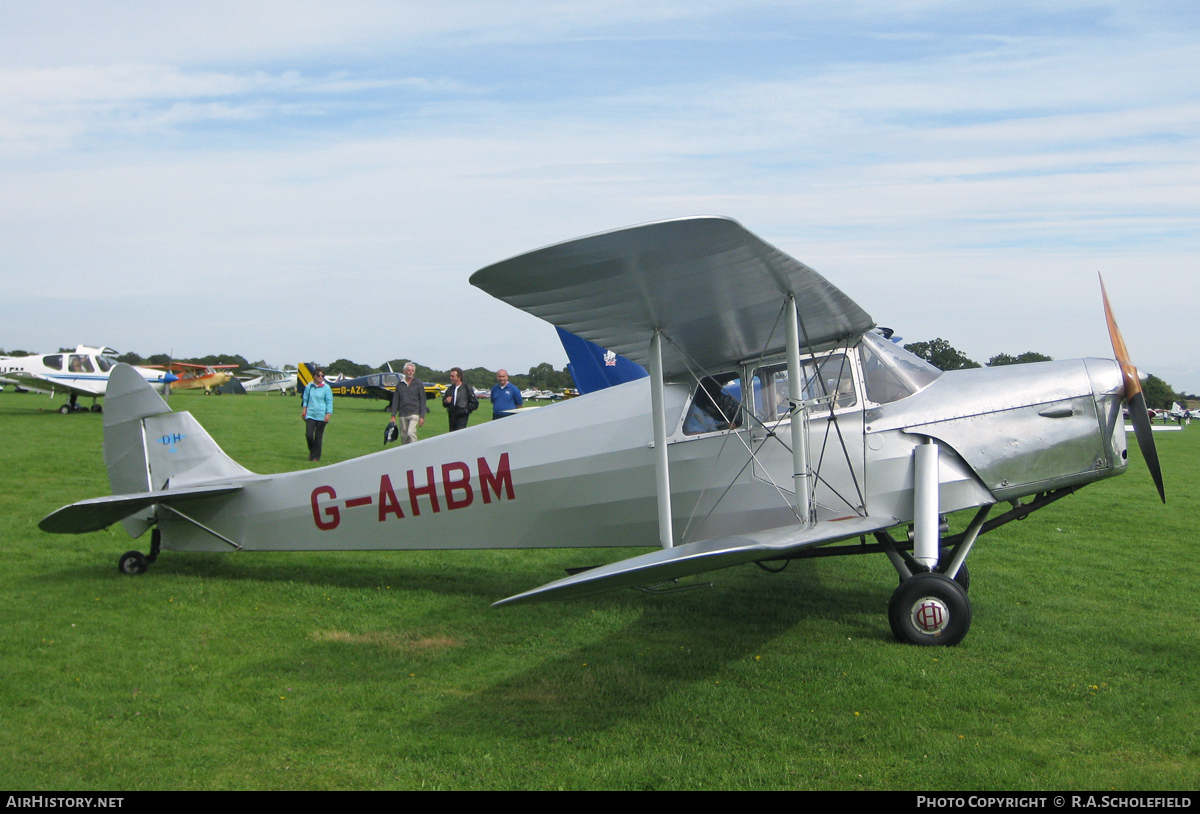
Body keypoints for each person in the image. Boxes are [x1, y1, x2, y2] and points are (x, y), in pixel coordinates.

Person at [388, 363, 427, 444]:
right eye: (408, 370)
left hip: (414, 413)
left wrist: (422, 416)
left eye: (412, 371)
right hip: (403, 413)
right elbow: (396, 400)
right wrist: (393, 416)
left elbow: (422, 400)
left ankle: (414, 451)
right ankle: (405, 453)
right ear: (404, 371)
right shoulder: (400, 385)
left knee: (410, 433)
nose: (410, 372)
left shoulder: (418, 383)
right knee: (404, 436)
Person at [301, 367, 333, 461]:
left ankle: (316, 457)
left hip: (321, 415)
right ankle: (312, 451)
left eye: (322, 376)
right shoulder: (309, 386)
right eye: (318, 375)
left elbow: (329, 401)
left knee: (318, 437)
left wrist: (328, 414)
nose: (320, 377)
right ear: (314, 376)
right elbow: (305, 399)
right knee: (309, 435)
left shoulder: (326, 388)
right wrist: (304, 410)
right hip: (310, 414)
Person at [442, 367, 476, 431]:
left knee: (460, 434)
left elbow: (475, 403)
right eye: (450, 376)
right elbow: (444, 403)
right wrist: (446, 401)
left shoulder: (467, 388)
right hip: (452, 416)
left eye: (453, 376)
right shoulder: (450, 389)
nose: (450, 378)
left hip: (462, 417)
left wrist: (466, 410)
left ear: (459, 377)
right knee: (452, 435)